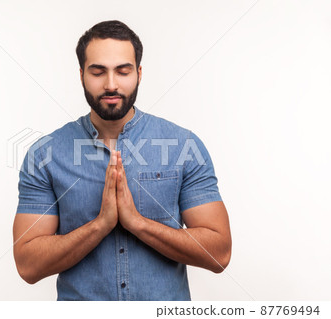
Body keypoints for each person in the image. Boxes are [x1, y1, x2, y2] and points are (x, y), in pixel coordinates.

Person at [13, 20, 231, 301]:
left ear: (139, 74)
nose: (111, 84)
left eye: (123, 71)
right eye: (98, 71)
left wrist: (138, 223)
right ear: (81, 75)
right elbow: (28, 265)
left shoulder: (184, 146)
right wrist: (99, 225)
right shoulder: (44, 155)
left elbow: (219, 254)